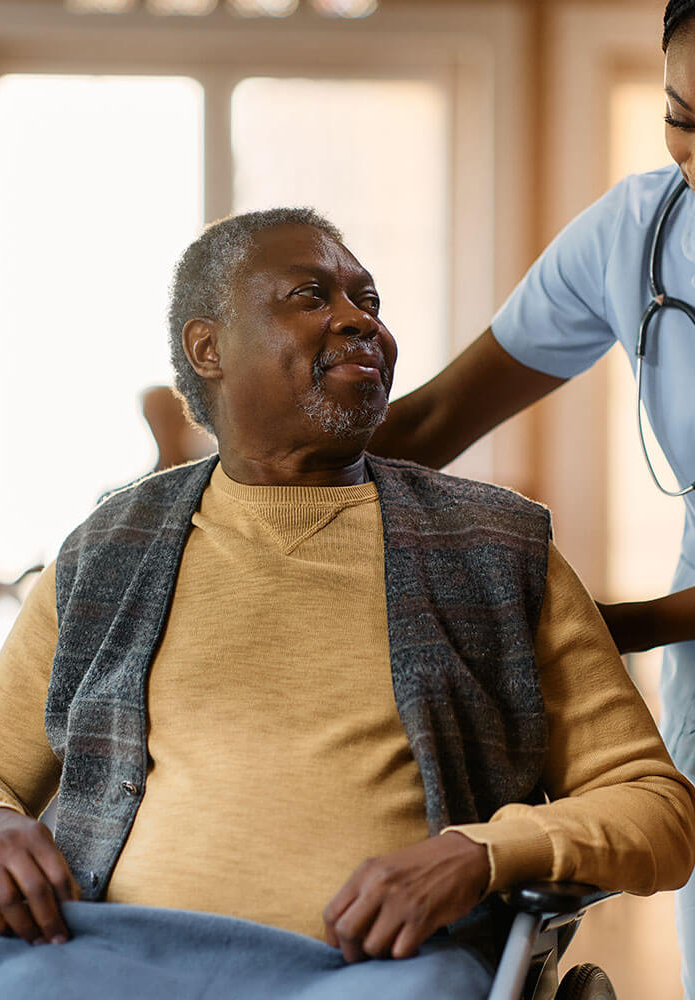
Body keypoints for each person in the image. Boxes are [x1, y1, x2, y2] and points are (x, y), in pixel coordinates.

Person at [0, 208, 695, 1000]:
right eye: (311, 297)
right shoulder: (111, 548)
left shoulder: (497, 548)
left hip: (380, 973)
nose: (359, 322)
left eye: (370, 302)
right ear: (207, 348)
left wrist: (479, 853)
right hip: (98, 955)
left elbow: (656, 809)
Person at [368, 3, 695, 992]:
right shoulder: (638, 231)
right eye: (680, 116)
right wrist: (209, 497)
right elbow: (425, 428)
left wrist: (604, 630)